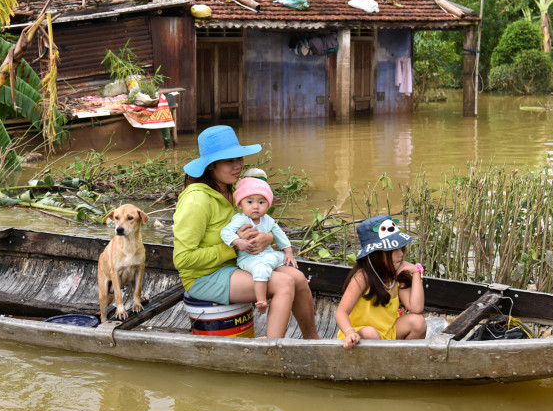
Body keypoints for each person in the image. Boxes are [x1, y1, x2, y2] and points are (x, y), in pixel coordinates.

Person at [172, 125, 319, 339]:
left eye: (239, 158)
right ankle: (271, 350)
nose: (238, 166)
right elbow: (182, 260)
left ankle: (313, 340)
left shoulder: (235, 191)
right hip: (204, 277)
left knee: (296, 277)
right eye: (229, 161)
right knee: (284, 283)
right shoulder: (197, 200)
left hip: (238, 264)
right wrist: (233, 247)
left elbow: (259, 226)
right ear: (211, 165)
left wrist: (267, 238)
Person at [335, 215, 426, 349]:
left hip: (388, 332)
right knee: (370, 332)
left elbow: (416, 308)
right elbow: (341, 313)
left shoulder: (397, 275)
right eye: (394, 250)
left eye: (401, 249)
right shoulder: (363, 277)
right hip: (360, 334)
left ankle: (402, 360)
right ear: (376, 254)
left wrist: (416, 273)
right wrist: (349, 332)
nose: (401, 254)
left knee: (418, 322)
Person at [219, 175, 296, 314]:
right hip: (249, 259)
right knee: (261, 270)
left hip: (268, 255)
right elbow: (225, 232)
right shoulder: (240, 219)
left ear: (268, 205)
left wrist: (289, 251)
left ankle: (297, 279)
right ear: (240, 204)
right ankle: (261, 301)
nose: (256, 206)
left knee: (284, 257)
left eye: (261, 202)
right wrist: (237, 241)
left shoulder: (268, 220)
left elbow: (280, 235)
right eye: (250, 202)